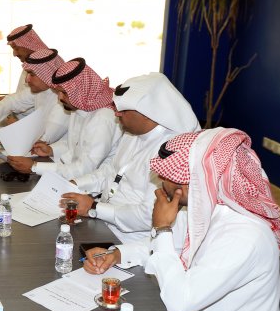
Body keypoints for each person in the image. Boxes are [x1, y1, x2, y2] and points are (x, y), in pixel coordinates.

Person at [83, 128, 280, 311]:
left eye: (165, 177)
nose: (160, 186)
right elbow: (170, 245)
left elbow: (179, 302)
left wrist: (161, 227)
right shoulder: (207, 209)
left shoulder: (243, 236)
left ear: (191, 183)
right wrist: (117, 254)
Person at [62, 72, 200, 243]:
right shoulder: (132, 132)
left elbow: (148, 214)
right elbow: (109, 171)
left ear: (148, 113)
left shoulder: (173, 151)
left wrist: (94, 207)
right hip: (101, 220)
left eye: (124, 110)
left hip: (131, 240)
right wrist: (75, 184)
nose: (117, 114)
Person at [7, 57, 122, 179]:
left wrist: (34, 167)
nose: (60, 98)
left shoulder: (102, 118)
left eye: (65, 93)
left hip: (93, 185)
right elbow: (75, 145)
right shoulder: (79, 106)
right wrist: (51, 150)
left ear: (79, 92)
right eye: (58, 92)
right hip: (73, 176)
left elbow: (85, 167)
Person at [0, 24, 48, 113]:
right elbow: (23, 95)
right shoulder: (30, 64)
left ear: (28, 45)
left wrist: (2, 102)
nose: (14, 54)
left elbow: (29, 98)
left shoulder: (45, 65)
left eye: (16, 48)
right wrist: (4, 100)